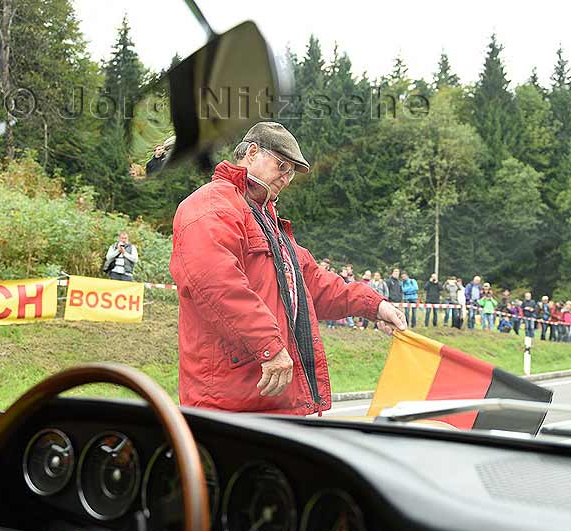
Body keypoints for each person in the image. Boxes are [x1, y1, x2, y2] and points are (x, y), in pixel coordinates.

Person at [169, 121, 406, 414]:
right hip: (230, 404)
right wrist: (269, 345)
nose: (287, 178)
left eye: (292, 172)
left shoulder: (269, 223)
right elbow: (215, 284)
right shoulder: (211, 204)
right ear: (252, 152)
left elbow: (315, 284)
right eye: (282, 166)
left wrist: (375, 306)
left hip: (271, 398)